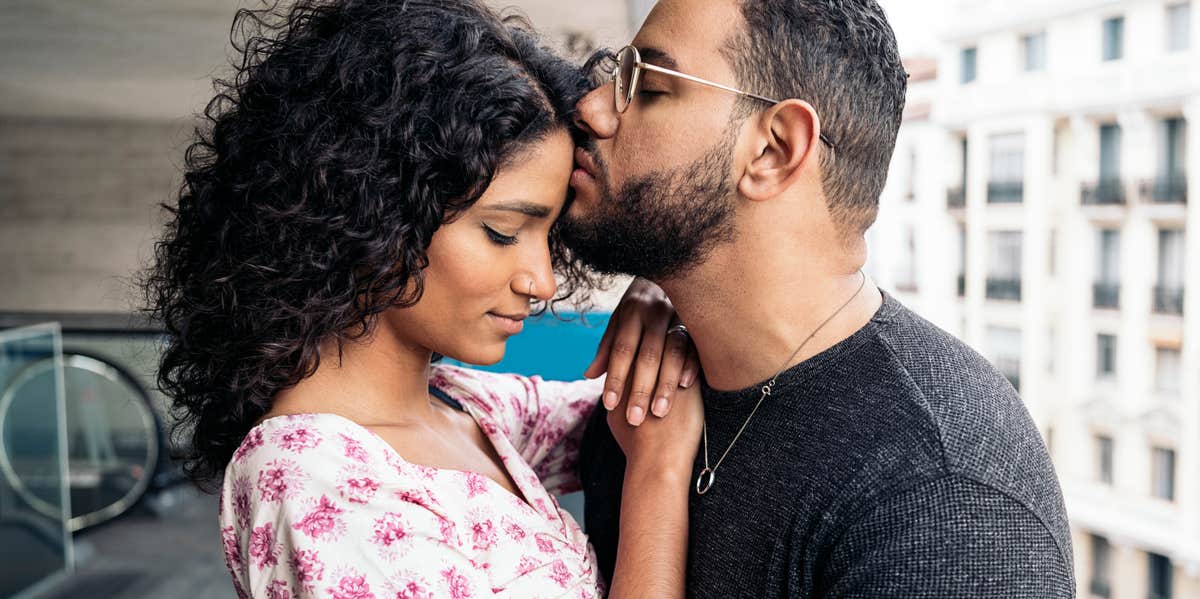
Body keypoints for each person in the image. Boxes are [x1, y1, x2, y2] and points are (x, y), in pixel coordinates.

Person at [144, 1, 702, 597]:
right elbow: (656, 439)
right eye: (503, 233)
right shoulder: (317, 480)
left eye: (549, 235)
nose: (541, 282)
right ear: (375, 213)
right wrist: (657, 480)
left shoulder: (466, 410)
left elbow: (642, 405)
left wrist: (666, 284)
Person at [564, 0, 1076, 596]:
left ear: (773, 151)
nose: (592, 107)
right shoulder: (648, 392)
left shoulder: (943, 503)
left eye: (647, 86)